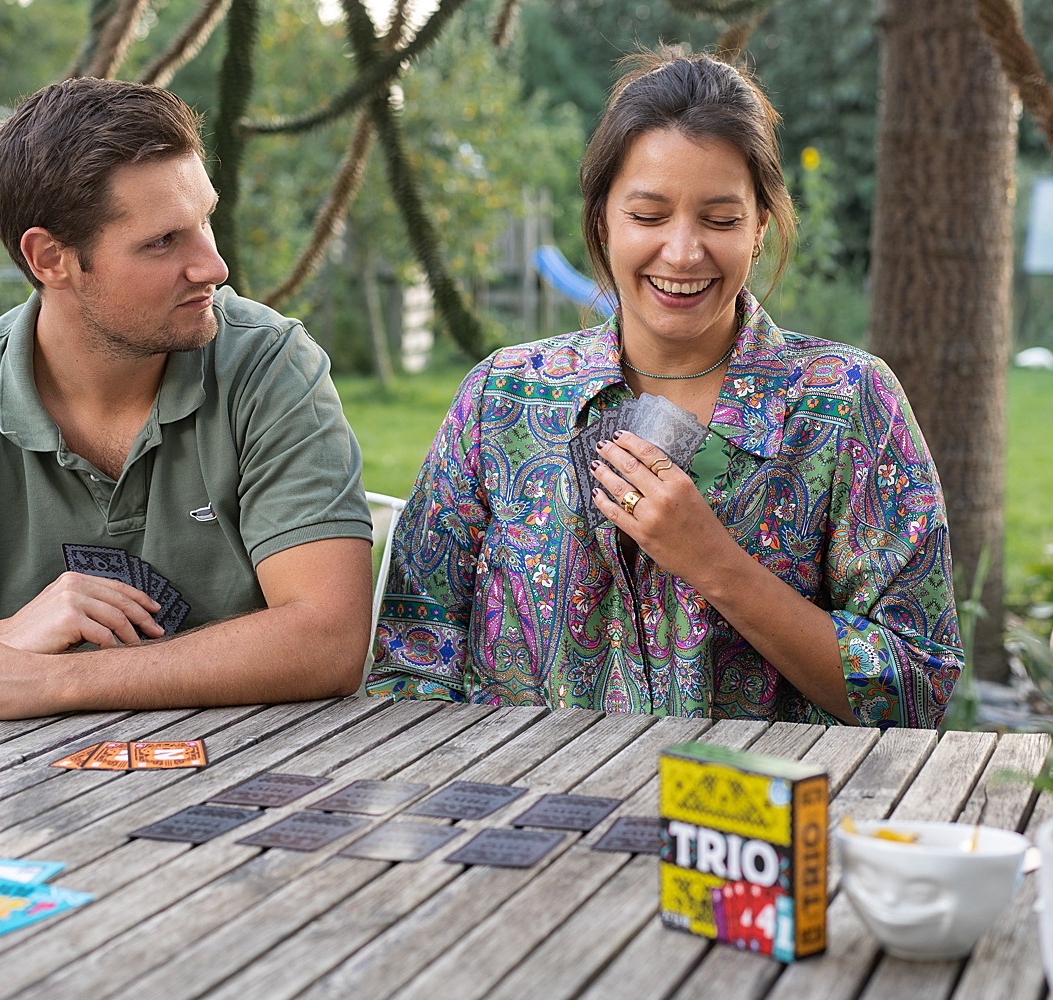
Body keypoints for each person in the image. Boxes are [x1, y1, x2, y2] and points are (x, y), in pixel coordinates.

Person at [366, 49, 962, 727]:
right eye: (649, 216)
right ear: (601, 221)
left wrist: (714, 562)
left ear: (761, 226)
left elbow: (918, 685)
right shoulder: (502, 402)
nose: (682, 252)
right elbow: (412, 658)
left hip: (748, 824)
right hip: (524, 816)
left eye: (720, 219)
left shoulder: (846, 404)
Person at [0, 78, 375, 720]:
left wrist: (54, 680)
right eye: (162, 241)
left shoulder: (269, 369)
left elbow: (329, 640)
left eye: (204, 221)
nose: (214, 266)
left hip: (263, 778)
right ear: (51, 260)